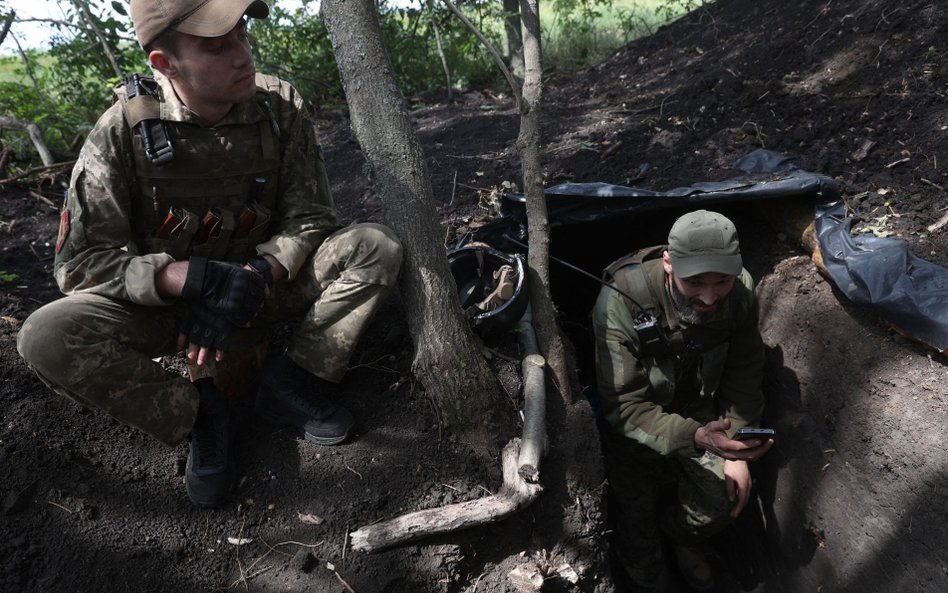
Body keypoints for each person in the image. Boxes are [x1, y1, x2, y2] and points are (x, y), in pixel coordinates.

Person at [16, 0, 403, 509]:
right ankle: (201, 416)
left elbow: (311, 215)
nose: (243, 55)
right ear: (165, 63)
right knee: (45, 336)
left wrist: (258, 272)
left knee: (375, 247)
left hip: (265, 289)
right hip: (171, 313)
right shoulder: (122, 133)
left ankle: (290, 381)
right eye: (218, 47)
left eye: (242, 35)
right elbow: (81, 263)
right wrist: (185, 279)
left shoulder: (278, 107)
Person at [592, 210, 773, 592]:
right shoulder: (620, 301)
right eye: (695, 283)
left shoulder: (739, 293)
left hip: (697, 409)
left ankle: (681, 537)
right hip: (636, 426)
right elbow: (624, 406)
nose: (709, 297)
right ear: (669, 263)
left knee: (723, 502)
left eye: (721, 282)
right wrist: (696, 438)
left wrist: (735, 448)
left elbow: (745, 369)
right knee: (637, 538)